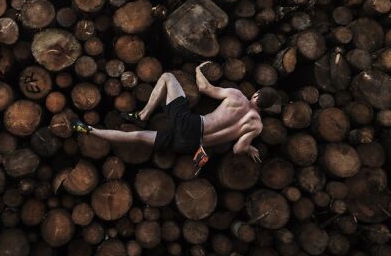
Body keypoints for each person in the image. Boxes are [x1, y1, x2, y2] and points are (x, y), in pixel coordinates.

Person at [72, 62, 273, 174]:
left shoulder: (237, 96)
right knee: (139, 137)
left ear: (255, 95)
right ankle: (90, 130)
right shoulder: (256, 125)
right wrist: (249, 147)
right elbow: (238, 149)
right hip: (191, 145)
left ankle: (142, 114)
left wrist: (197, 71)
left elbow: (205, 88)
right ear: (266, 107)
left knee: (168, 76)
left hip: (191, 124)